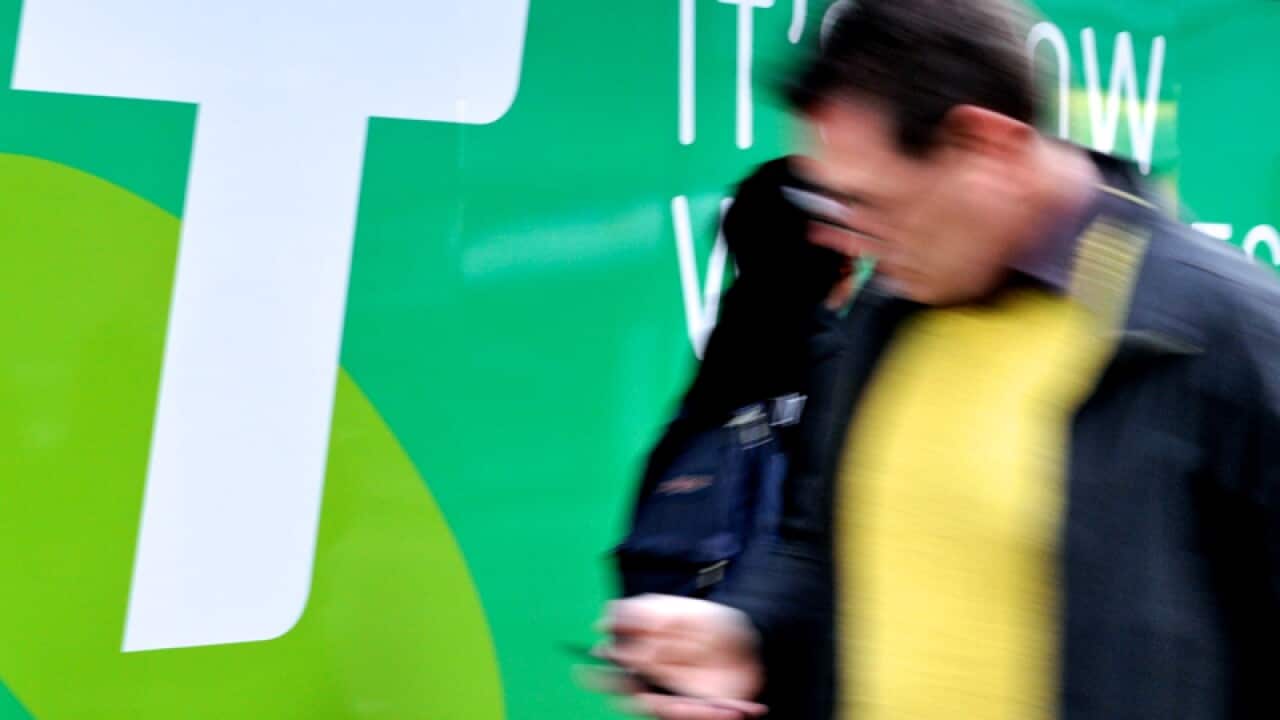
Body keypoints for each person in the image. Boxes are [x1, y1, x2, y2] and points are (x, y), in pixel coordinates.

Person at [600, 1, 1280, 719]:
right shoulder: (887, 319)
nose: (857, 239)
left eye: (875, 202)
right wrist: (750, 633)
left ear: (986, 145)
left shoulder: (1218, 331)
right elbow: (820, 550)